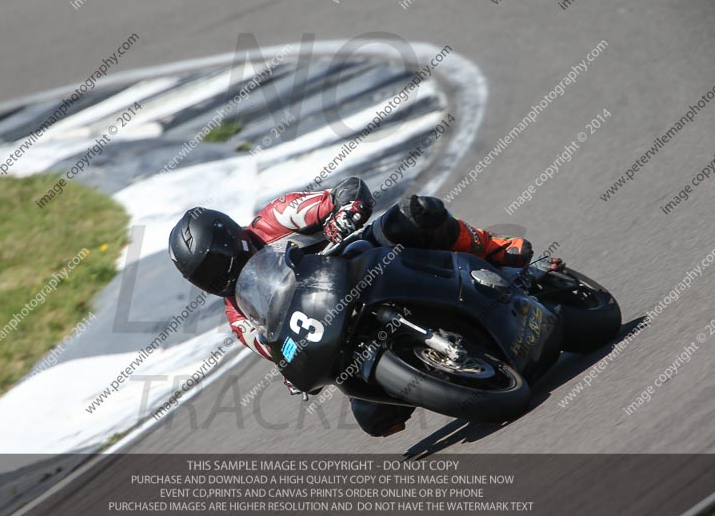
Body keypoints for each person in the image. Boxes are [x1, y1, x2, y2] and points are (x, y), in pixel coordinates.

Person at [168, 177, 533, 437]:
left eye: (216, 266)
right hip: (340, 329)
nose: (218, 279)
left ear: (228, 237)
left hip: (360, 261)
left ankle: (491, 247)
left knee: (413, 216)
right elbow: (276, 347)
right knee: (376, 419)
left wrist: (346, 211)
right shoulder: (236, 316)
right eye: (206, 278)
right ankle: (446, 368)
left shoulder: (274, 219)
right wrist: (292, 373)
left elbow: (345, 191)